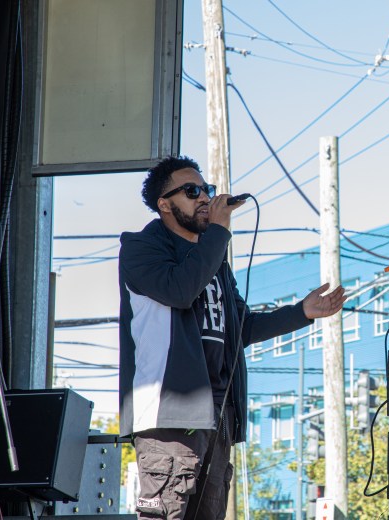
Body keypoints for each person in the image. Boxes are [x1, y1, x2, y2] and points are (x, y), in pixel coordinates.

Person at [118, 156, 346, 520]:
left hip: (218, 413)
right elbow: (179, 290)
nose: (204, 198)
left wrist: (302, 312)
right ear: (164, 204)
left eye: (206, 189)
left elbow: (242, 328)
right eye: (191, 191)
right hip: (169, 412)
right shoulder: (140, 248)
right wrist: (220, 233)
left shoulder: (213, 261)